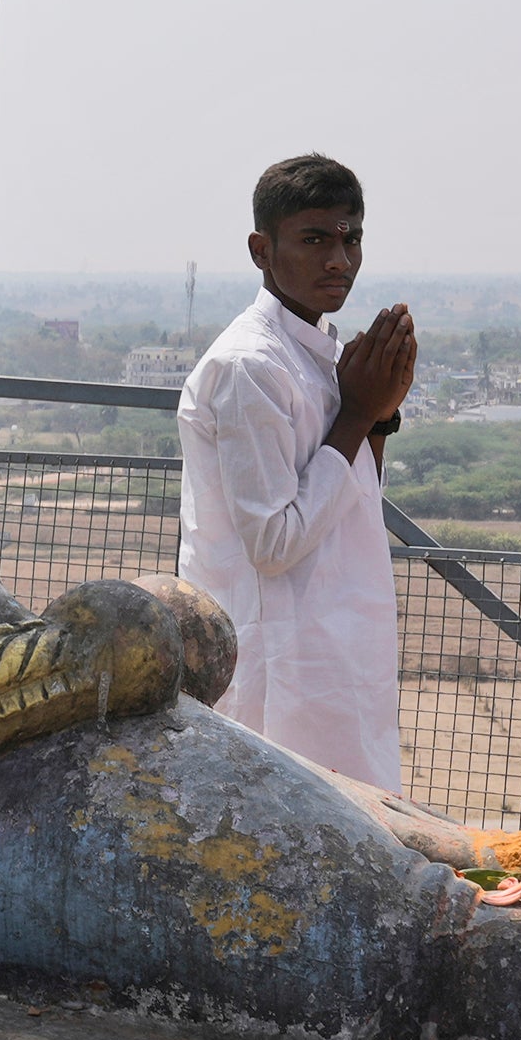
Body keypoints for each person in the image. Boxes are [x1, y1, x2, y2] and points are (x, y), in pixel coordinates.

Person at [177, 153, 421, 790]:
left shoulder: (319, 354)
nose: (339, 261)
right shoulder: (250, 367)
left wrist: (378, 419)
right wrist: (358, 413)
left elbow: (353, 497)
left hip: (341, 647)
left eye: (351, 239)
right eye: (314, 240)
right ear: (262, 250)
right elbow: (273, 542)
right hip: (278, 665)